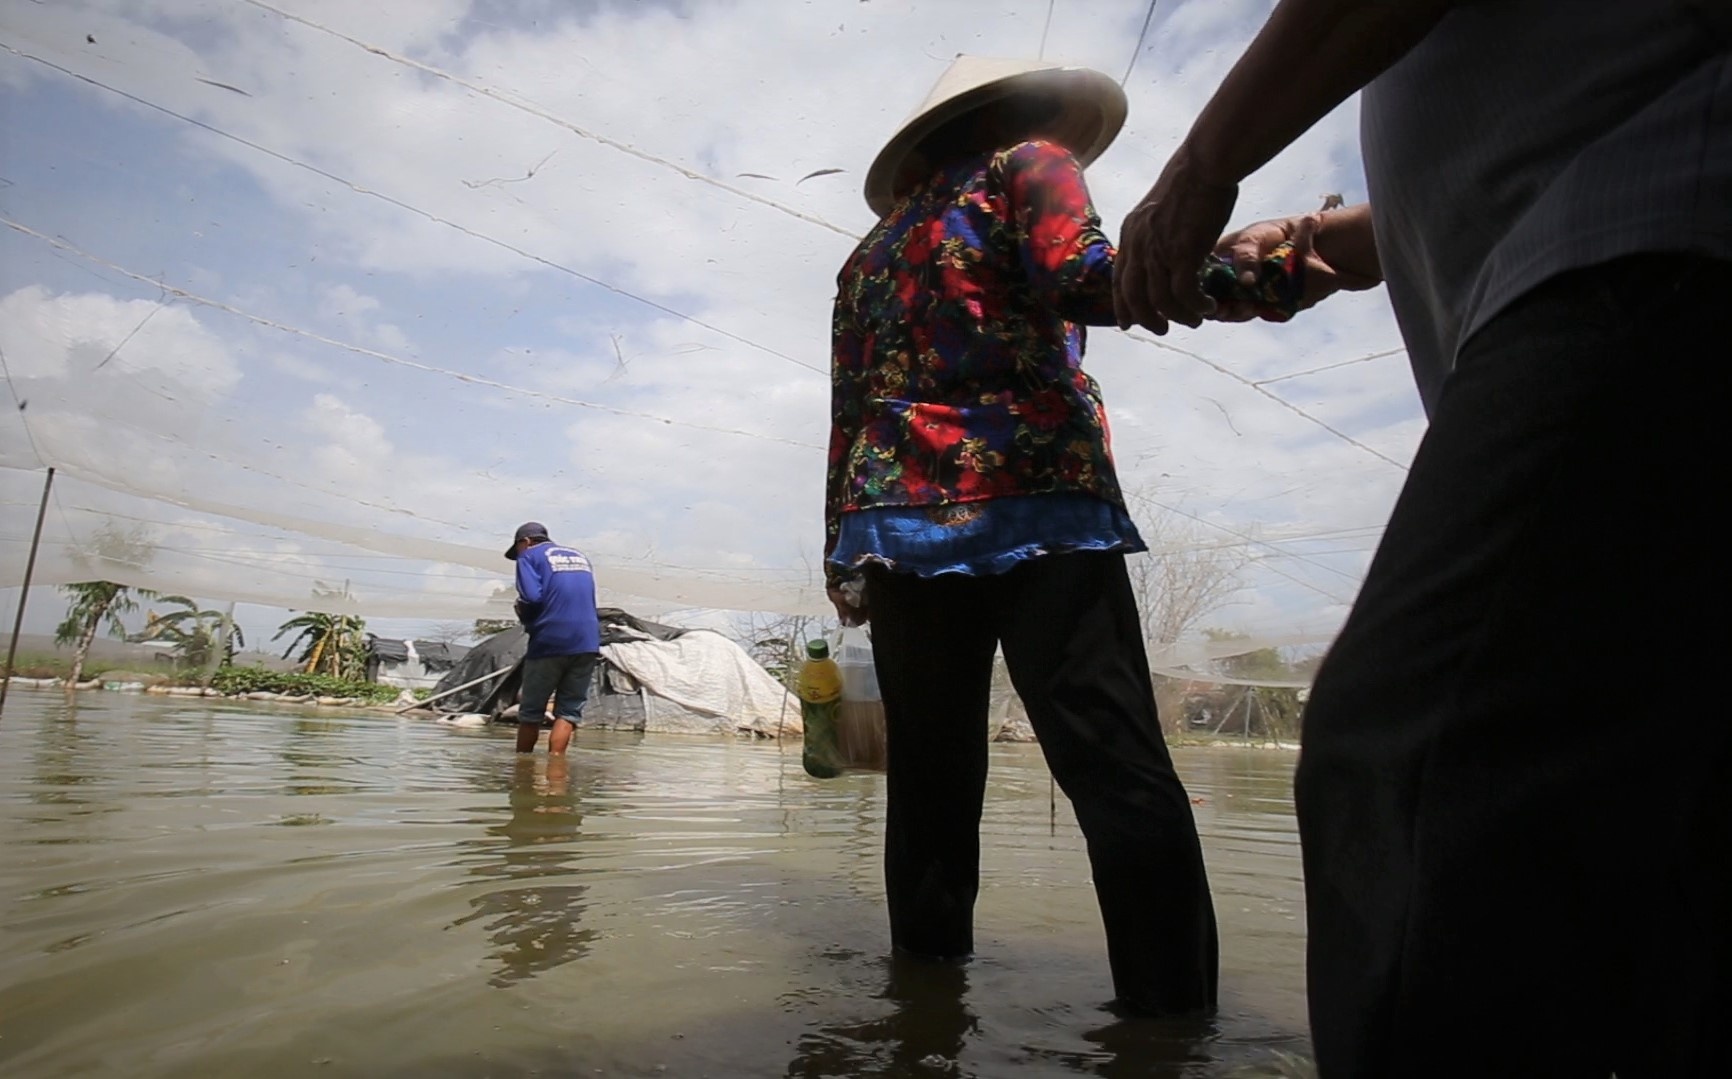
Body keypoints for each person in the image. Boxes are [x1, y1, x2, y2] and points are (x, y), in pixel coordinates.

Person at [1111, 2, 1730, 1074]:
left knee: (1416, 763)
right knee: (1653, 821)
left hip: (1653, 239)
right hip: (1612, 261)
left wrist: (1203, 166)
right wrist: (1329, 244)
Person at [824, 54, 1218, 1017]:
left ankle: (924, 1005)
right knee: (1114, 764)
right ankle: (1171, 1031)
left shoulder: (866, 253)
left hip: (898, 526)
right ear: (1031, 114)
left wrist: (842, 547)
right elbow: (1087, 279)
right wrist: (1267, 269)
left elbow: (847, 413)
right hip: (1033, 498)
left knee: (929, 784)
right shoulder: (1030, 164)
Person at [505, 521, 601, 755]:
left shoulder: (529, 556)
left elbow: (531, 597)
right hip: (588, 641)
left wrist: (522, 612)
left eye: (517, 549)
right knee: (568, 712)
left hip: (551, 640)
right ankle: (557, 768)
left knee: (530, 713)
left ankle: (522, 769)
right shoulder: (580, 556)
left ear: (525, 542)